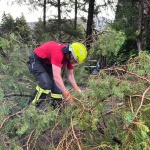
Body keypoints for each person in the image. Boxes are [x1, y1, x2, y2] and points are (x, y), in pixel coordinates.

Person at [28, 41, 87, 108]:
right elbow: (57, 77)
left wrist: (77, 89)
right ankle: (31, 108)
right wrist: (67, 94)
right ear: (71, 54)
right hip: (37, 61)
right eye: (75, 61)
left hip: (48, 64)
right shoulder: (58, 53)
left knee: (57, 91)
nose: (74, 63)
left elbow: (70, 75)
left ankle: (56, 112)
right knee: (46, 84)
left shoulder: (69, 59)